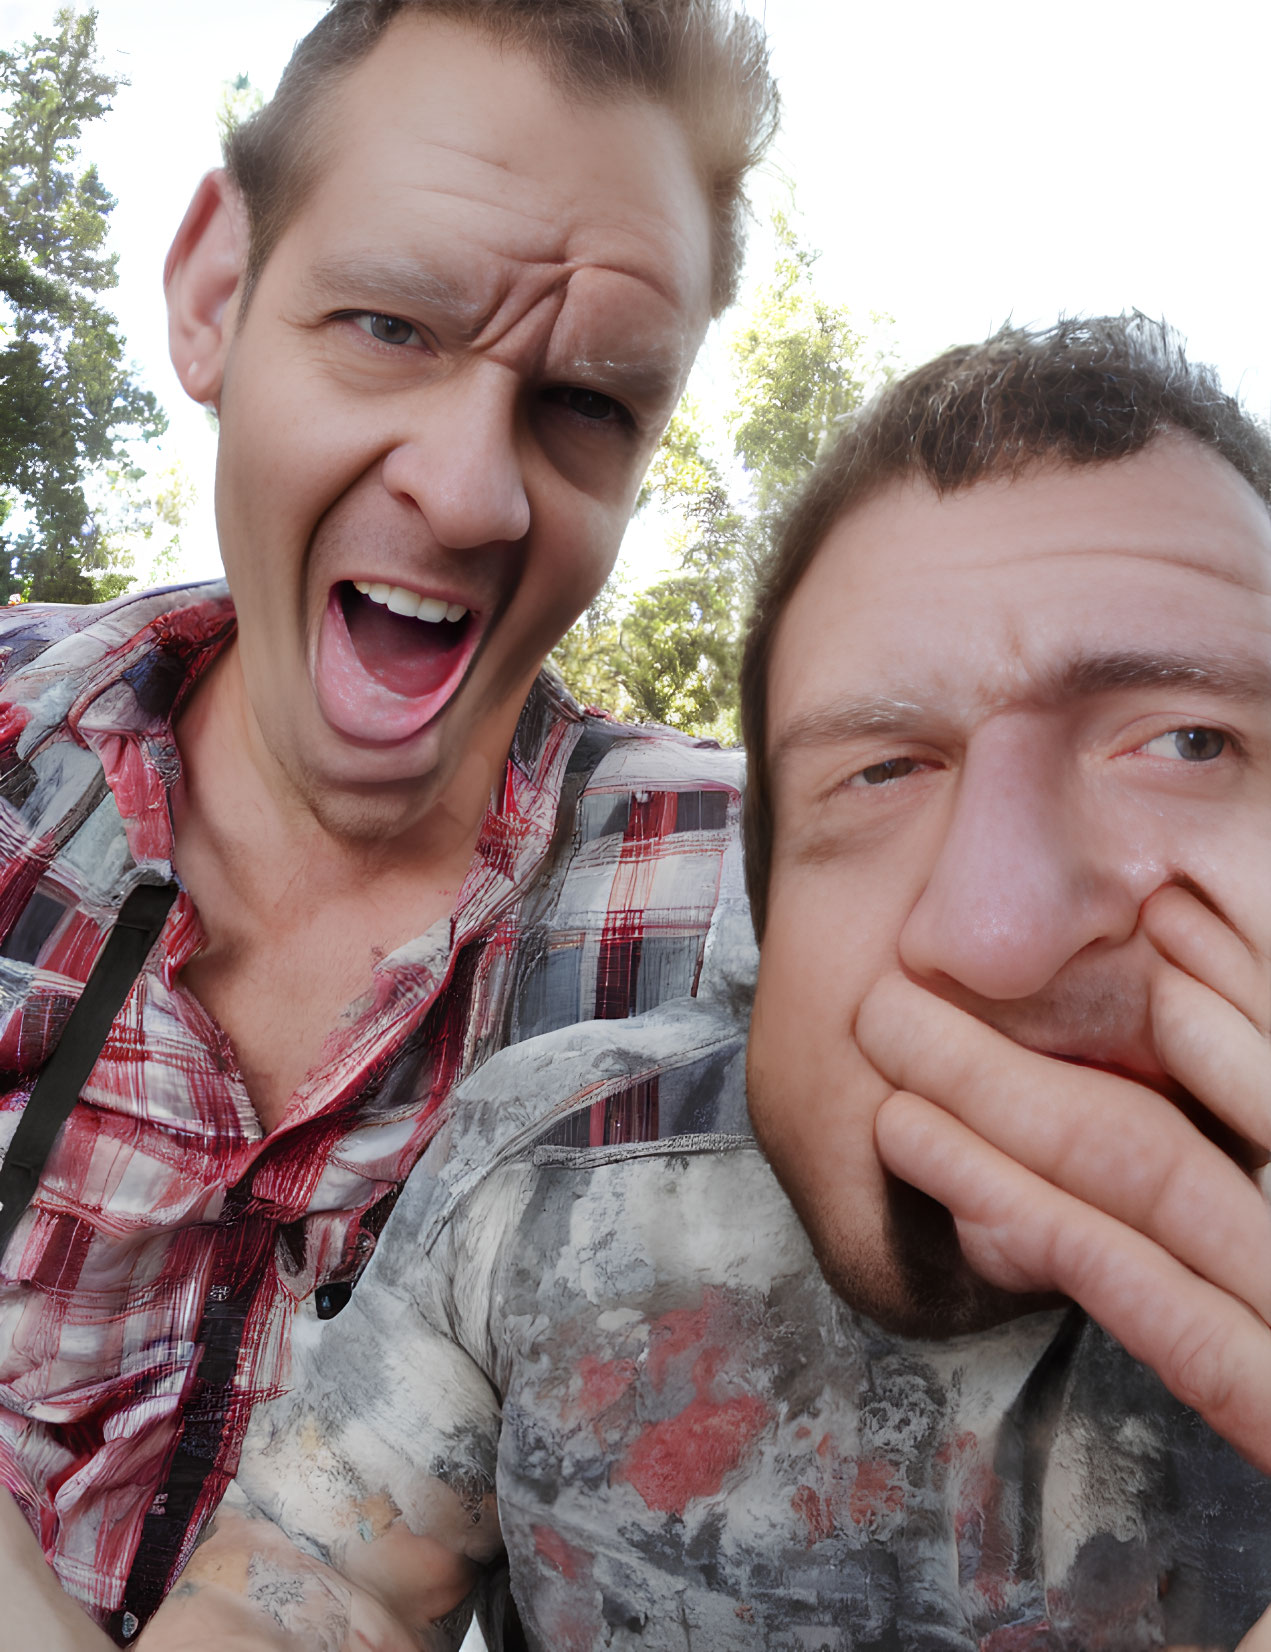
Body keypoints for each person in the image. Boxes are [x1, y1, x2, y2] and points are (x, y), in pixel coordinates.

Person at [107, 316, 1271, 1651]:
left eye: (1186, 742)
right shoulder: (547, 1167)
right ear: (768, 911)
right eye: (881, 770)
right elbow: (310, 1587)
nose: (998, 933)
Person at [0, 0, 778, 1639]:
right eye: (390, 327)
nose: (474, 491)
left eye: (585, 406)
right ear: (217, 294)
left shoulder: (764, 906)